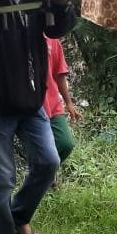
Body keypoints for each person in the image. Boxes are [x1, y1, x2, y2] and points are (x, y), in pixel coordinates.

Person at [0, 0, 76, 234]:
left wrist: (60, 5)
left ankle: (17, 217)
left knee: (48, 162)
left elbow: (57, 30)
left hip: (31, 102)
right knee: (3, 179)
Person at [43, 36, 81, 166]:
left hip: (53, 102)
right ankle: (42, 174)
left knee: (65, 144)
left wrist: (69, 103)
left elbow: (59, 74)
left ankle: (47, 172)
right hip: (33, 105)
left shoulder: (53, 40)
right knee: (40, 146)